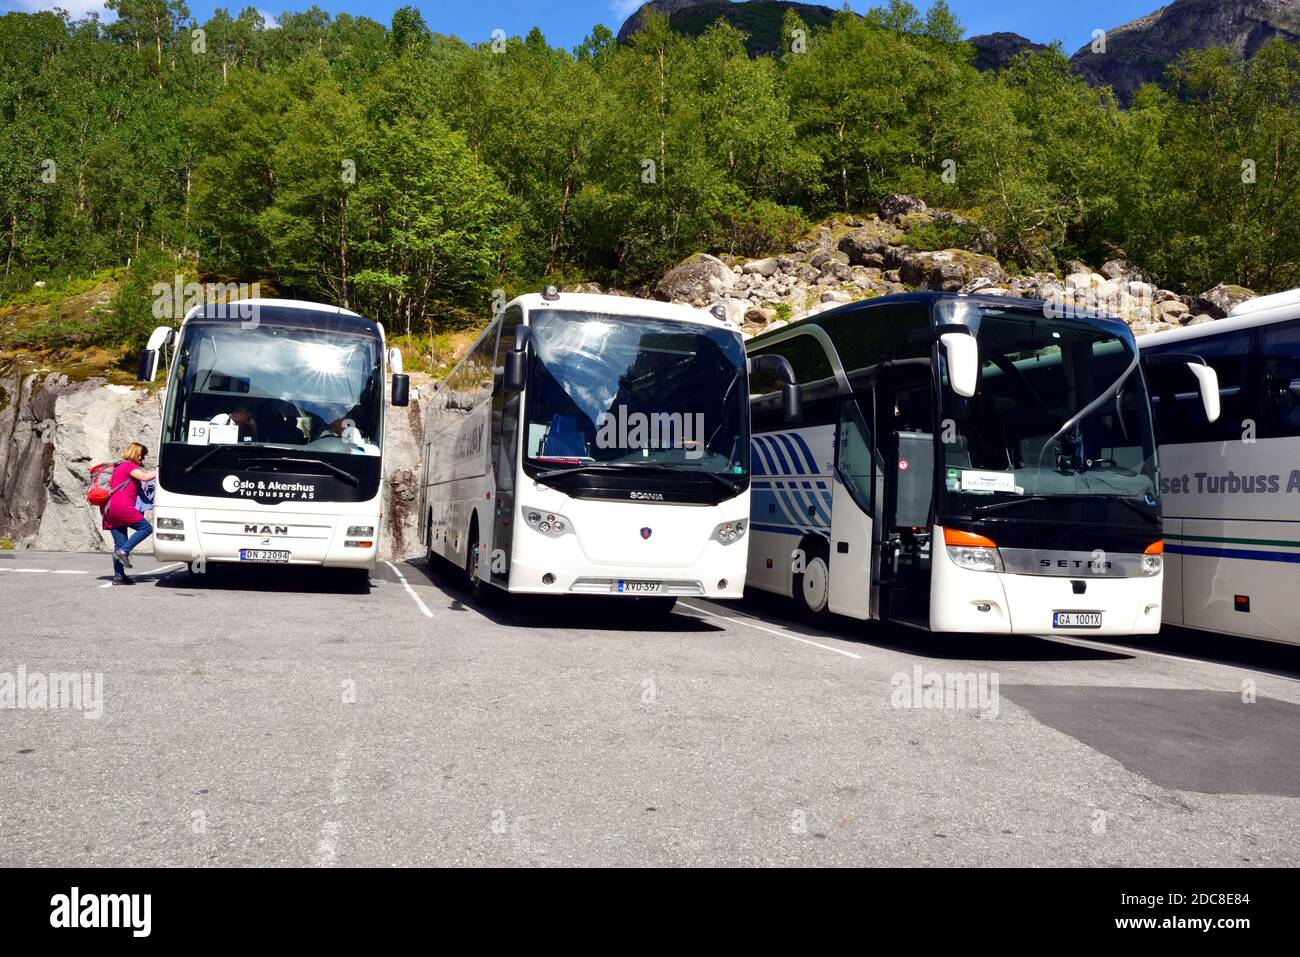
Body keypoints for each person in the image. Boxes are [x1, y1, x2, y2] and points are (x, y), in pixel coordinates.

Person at [102, 442, 157, 585]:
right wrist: (161, 470)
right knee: (146, 528)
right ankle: (124, 552)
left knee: (119, 543)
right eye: (142, 456)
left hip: (109, 509)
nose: (142, 459)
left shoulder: (118, 467)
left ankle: (119, 576)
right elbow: (144, 477)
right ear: (136, 453)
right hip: (122, 506)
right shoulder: (128, 465)